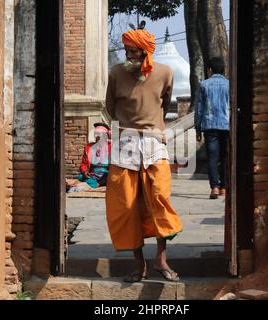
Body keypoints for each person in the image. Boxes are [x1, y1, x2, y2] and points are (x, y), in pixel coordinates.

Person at [105, 23, 183, 282]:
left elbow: (166, 101)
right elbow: (109, 107)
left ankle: (161, 259)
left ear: (145, 51)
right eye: (126, 49)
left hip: (153, 144)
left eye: (133, 50)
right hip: (124, 145)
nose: (128, 54)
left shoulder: (165, 72)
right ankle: (139, 265)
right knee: (126, 206)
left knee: (159, 198)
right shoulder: (116, 72)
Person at [194, 57, 230, 199]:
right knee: (225, 157)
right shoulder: (229, 85)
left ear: (209, 70)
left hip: (210, 127)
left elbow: (199, 109)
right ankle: (224, 188)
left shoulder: (204, 85)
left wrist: (198, 128)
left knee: (212, 158)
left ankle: (214, 187)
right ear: (223, 70)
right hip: (226, 125)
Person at [67, 123, 111, 193]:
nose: (98, 138)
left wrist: (102, 181)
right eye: (96, 136)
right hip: (91, 175)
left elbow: (114, 167)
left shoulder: (111, 147)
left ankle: (74, 185)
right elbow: (83, 164)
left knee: (91, 182)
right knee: (81, 177)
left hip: (105, 176)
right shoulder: (89, 148)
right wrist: (85, 171)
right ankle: (77, 185)